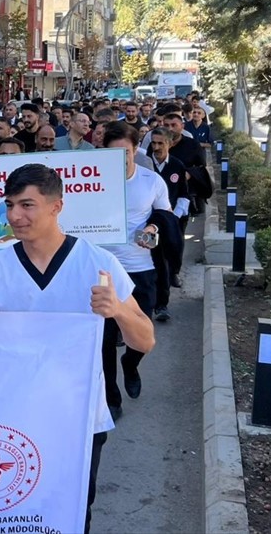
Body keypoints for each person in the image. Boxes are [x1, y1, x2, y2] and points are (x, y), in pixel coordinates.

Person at [0, 163, 154, 534]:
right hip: (16, 415)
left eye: (27, 205)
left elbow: (145, 340)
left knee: (72, 514)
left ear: (56, 206)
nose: (14, 216)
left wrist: (117, 311)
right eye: (10, 205)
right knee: (15, 515)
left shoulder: (98, 262)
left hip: (78, 416)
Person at [100, 122, 171, 409]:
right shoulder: (89, 183)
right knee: (103, 340)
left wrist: (153, 228)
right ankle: (111, 399)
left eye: (125, 153)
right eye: (113, 154)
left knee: (142, 331)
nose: (120, 159)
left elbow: (165, 216)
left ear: (135, 150)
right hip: (102, 271)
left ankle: (131, 363)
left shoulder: (151, 181)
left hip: (140, 268)